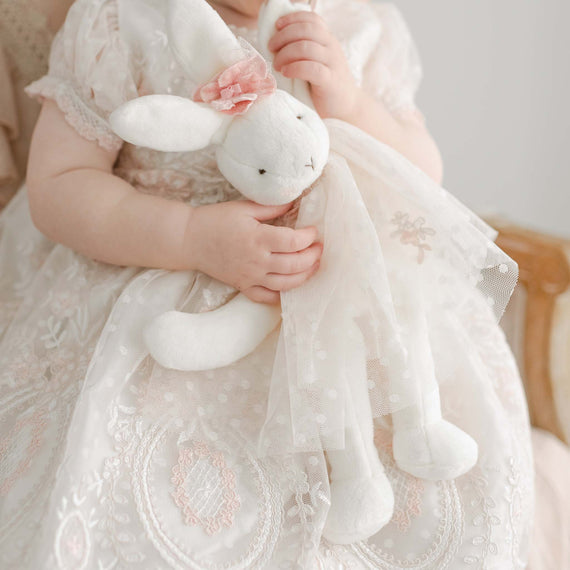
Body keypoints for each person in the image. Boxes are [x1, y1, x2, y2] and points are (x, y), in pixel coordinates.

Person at [0, 0, 533, 568]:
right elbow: (60, 185)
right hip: (163, 276)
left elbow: (424, 174)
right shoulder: (122, 19)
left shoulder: (359, 22)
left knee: (442, 489)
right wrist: (188, 235)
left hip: (346, 295)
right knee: (141, 474)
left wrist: (348, 100)